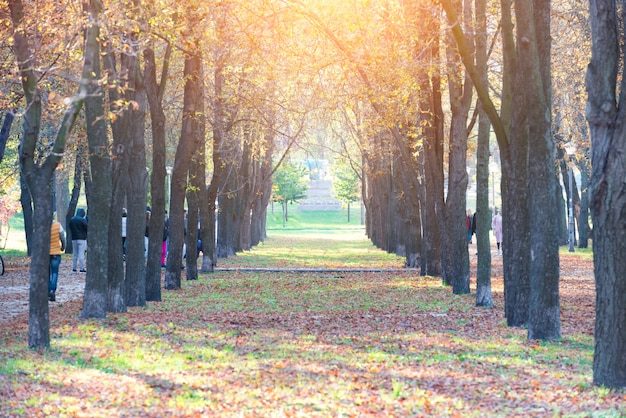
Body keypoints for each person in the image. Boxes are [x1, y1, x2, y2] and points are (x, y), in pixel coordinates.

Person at [49, 216, 66, 302]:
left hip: (46, 253)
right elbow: (63, 237)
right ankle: (52, 290)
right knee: (55, 272)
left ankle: (48, 291)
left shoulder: (43, 226)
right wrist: (63, 247)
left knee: (47, 273)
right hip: (56, 252)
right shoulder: (58, 225)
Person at [69, 207, 88, 272]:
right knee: (81, 253)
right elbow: (86, 228)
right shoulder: (82, 220)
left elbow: (70, 228)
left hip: (74, 238)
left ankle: (74, 267)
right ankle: (81, 268)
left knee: (75, 253)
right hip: (82, 238)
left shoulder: (72, 219)